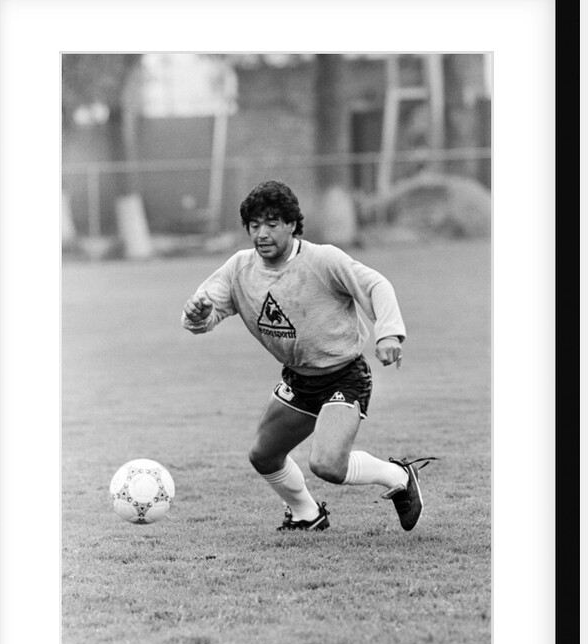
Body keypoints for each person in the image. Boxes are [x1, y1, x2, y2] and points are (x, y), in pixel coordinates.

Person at [181, 180, 435, 531]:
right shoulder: (240, 268)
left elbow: (377, 285)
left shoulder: (322, 259)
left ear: (290, 224)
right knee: (264, 456)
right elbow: (204, 314)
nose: (262, 233)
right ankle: (307, 514)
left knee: (328, 465)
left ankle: (399, 476)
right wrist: (196, 316)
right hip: (299, 378)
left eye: (271, 223)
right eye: (254, 226)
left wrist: (389, 332)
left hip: (344, 374)